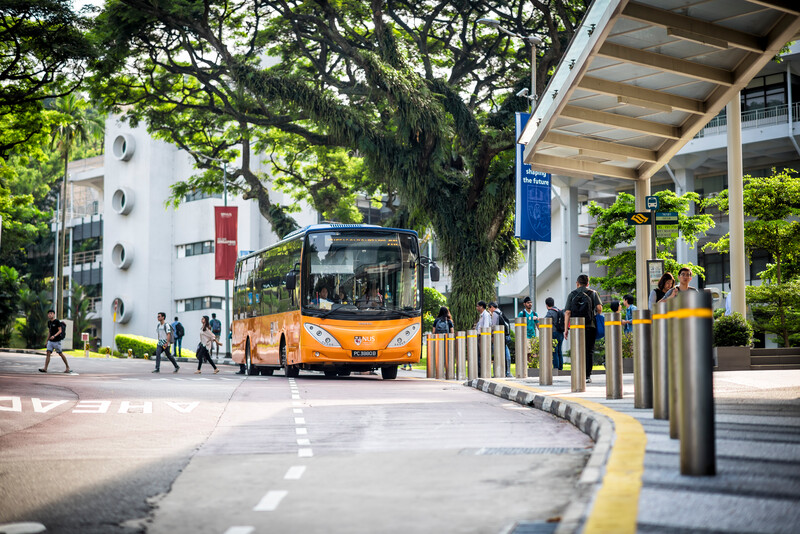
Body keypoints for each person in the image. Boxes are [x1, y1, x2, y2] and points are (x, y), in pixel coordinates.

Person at [564, 274, 603, 383]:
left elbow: (567, 312)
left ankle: (577, 373)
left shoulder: (572, 295)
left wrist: (566, 329)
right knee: (589, 351)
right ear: (588, 283)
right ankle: (587, 376)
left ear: (577, 283)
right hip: (590, 326)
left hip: (576, 327)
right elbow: (599, 308)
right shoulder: (593, 293)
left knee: (577, 350)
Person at [39, 309, 71, 373]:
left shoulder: (57, 321)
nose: (50, 315)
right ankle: (45, 368)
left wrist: (54, 336)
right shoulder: (49, 322)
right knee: (48, 353)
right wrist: (47, 341)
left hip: (57, 341)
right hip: (51, 341)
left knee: (60, 354)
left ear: (54, 314)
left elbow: (60, 330)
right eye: (49, 314)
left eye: (51, 313)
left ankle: (67, 367)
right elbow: (49, 332)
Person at [488, 302, 512, 378]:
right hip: (505, 336)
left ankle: (497, 372)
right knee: (506, 352)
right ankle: (507, 372)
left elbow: (493, 326)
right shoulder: (501, 312)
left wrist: (491, 335)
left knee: (497, 354)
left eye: (489, 308)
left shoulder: (495, 314)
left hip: (499, 337)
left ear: (492, 307)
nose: (489, 310)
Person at [517, 296, 539, 365]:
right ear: (524, 304)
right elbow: (518, 324)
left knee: (534, 353)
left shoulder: (535, 314)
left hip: (533, 336)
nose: (530, 304)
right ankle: (528, 367)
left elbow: (538, 325)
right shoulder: (522, 313)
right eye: (528, 303)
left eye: (530, 302)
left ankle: (532, 366)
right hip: (525, 336)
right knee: (528, 353)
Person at [544, 297, 564, 371]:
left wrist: (538, 319)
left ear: (546, 305)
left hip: (554, 333)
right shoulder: (559, 310)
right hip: (561, 333)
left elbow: (545, 321)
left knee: (554, 351)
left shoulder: (550, 312)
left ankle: (555, 368)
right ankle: (560, 368)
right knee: (559, 351)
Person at [475, 300, 492, 371]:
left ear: (481, 307)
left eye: (477, 306)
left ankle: (484, 371)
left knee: (483, 354)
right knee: (480, 354)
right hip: (480, 336)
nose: (476, 308)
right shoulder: (482, 315)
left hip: (483, 337)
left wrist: (483, 337)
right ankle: (480, 370)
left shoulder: (486, 315)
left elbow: (486, 327)